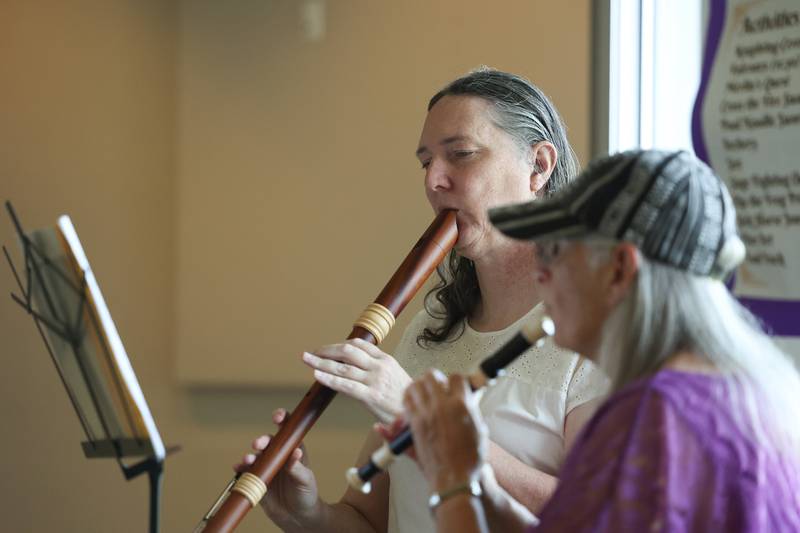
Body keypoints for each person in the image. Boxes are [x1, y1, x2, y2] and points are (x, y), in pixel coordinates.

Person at [235, 68, 609, 532]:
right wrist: (304, 514)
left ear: (539, 166)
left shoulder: (598, 328)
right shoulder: (434, 325)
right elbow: (371, 522)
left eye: (461, 155)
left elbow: (594, 514)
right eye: (426, 162)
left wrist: (423, 419)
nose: (434, 180)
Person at [402, 149, 800, 532]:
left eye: (556, 250)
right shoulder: (747, 394)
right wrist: (478, 476)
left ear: (619, 269)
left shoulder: (656, 412)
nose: (542, 273)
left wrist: (453, 480)